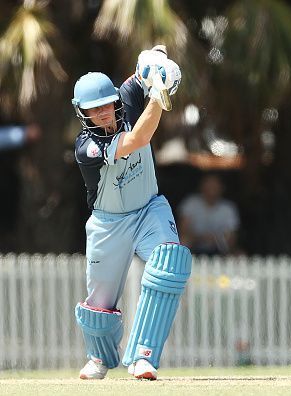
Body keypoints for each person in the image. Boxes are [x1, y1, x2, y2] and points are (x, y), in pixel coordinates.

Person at [72, 45, 187, 381]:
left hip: (149, 209)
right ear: (83, 113)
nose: (104, 112)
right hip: (108, 223)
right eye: (95, 109)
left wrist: (158, 61)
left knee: (170, 263)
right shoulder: (87, 147)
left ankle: (143, 356)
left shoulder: (127, 99)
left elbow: (147, 66)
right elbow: (137, 139)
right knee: (99, 308)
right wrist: (159, 97)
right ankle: (99, 358)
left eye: (107, 104)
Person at [178, 173, 240, 255]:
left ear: (222, 187)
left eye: (215, 184)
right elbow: (183, 229)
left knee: (240, 254)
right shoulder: (191, 202)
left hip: (219, 248)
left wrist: (215, 239)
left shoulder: (228, 208)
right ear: (201, 186)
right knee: (183, 240)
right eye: (208, 184)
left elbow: (232, 237)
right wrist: (201, 238)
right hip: (193, 245)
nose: (211, 187)